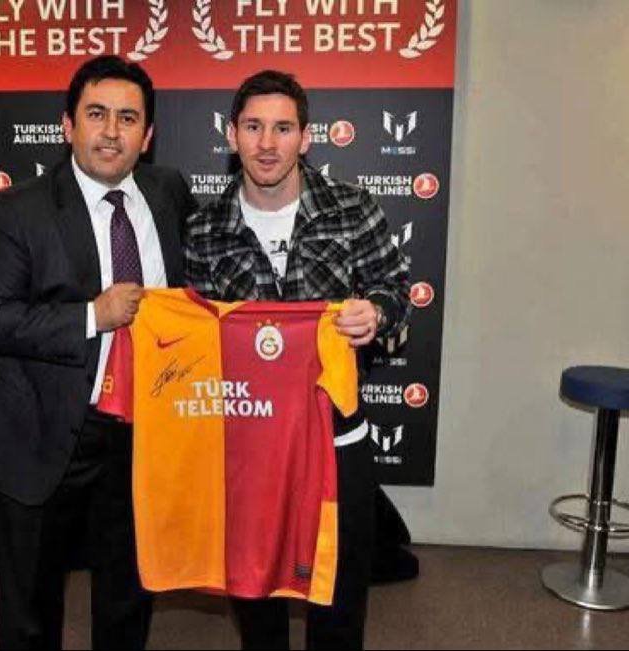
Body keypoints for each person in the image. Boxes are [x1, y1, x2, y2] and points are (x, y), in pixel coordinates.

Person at [0, 55, 196, 650]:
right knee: (31, 607)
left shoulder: (169, 192)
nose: (111, 132)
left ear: (148, 136)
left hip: (144, 432)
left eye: (127, 118)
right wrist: (94, 315)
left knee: (128, 592)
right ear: (68, 126)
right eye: (96, 114)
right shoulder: (19, 209)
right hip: (50, 432)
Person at [183, 70, 411, 650]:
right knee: (256, 593)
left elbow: (395, 293)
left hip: (336, 436)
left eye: (283, 128)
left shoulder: (354, 209)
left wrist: (376, 315)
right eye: (254, 127)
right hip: (247, 443)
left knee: (338, 592)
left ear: (306, 138)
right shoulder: (204, 229)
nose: (267, 143)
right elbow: (193, 342)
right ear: (231, 135)